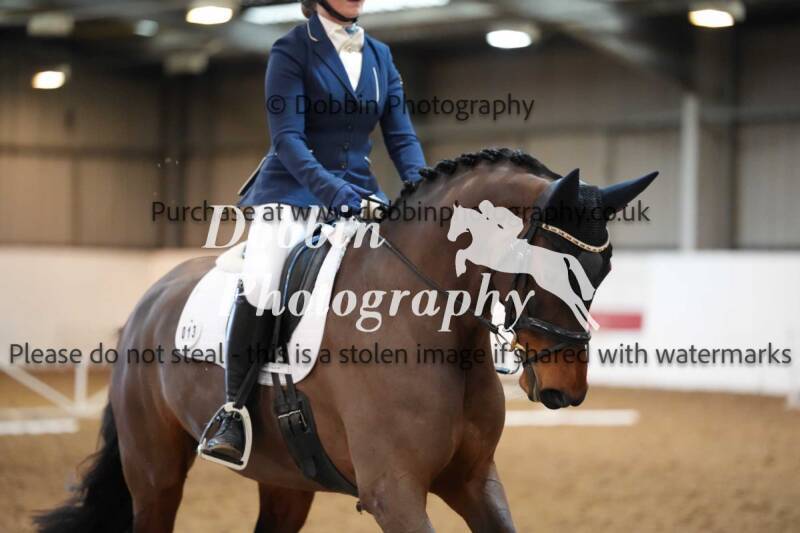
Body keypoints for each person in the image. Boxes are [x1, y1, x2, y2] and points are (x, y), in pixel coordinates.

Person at [202, 0, 426, 461]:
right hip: (293, 192)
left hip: (361, 192)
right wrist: (334, 192)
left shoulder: (380, 55)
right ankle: (233, 412)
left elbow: (400, 136)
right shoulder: (290, 50)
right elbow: (288, 139)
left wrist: (425, 189)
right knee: (264, 282)